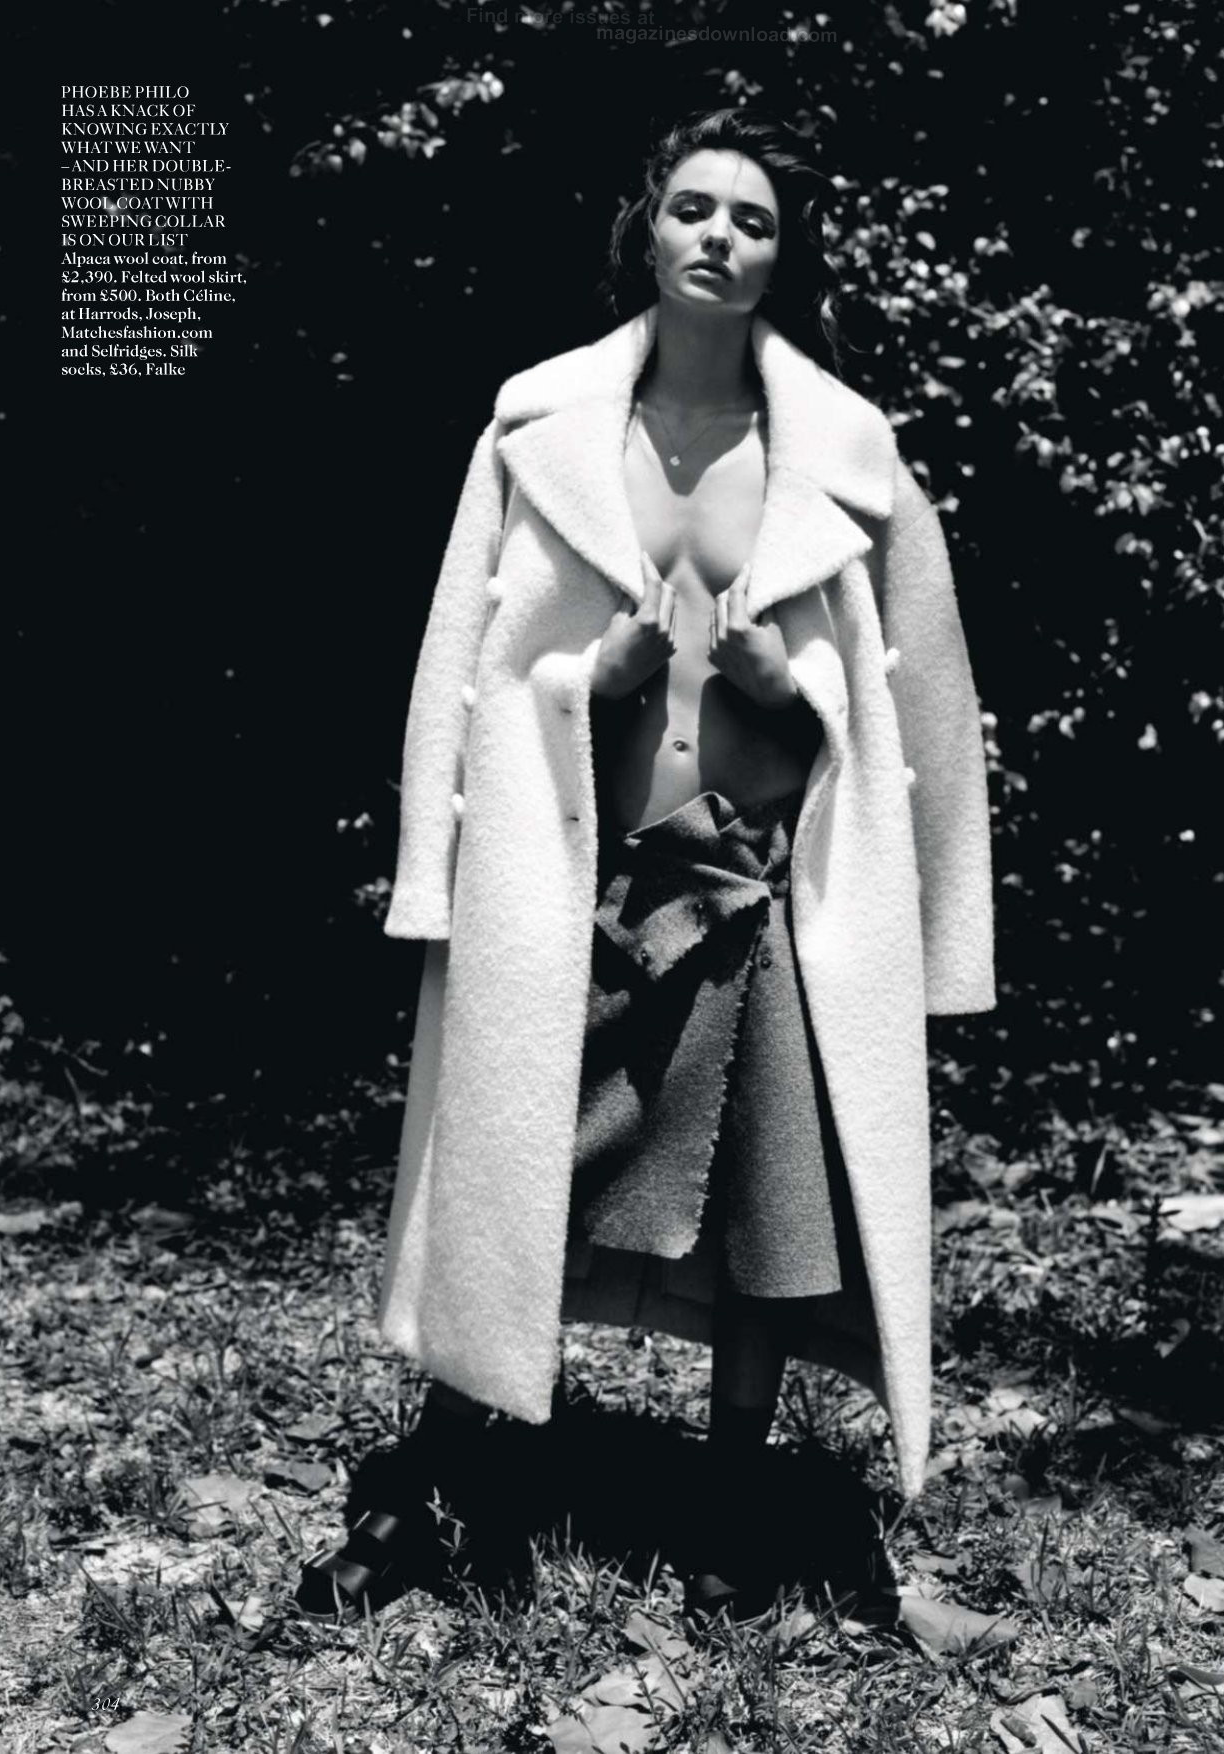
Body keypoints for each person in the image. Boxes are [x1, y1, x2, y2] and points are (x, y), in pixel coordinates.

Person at [298, 106, 994, 1623]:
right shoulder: (538, 422)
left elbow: (927, 711)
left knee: (766, 1200)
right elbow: (455, 663)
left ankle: (732, 1501)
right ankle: (443, 1476)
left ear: (782, 257)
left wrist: (789, 697)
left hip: (759, 881)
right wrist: (583, 690)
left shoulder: (847, 454)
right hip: (579, 875)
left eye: (753, 219)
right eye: (694, 207)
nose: (719, 236)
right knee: (509, 1173)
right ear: (648, 226)